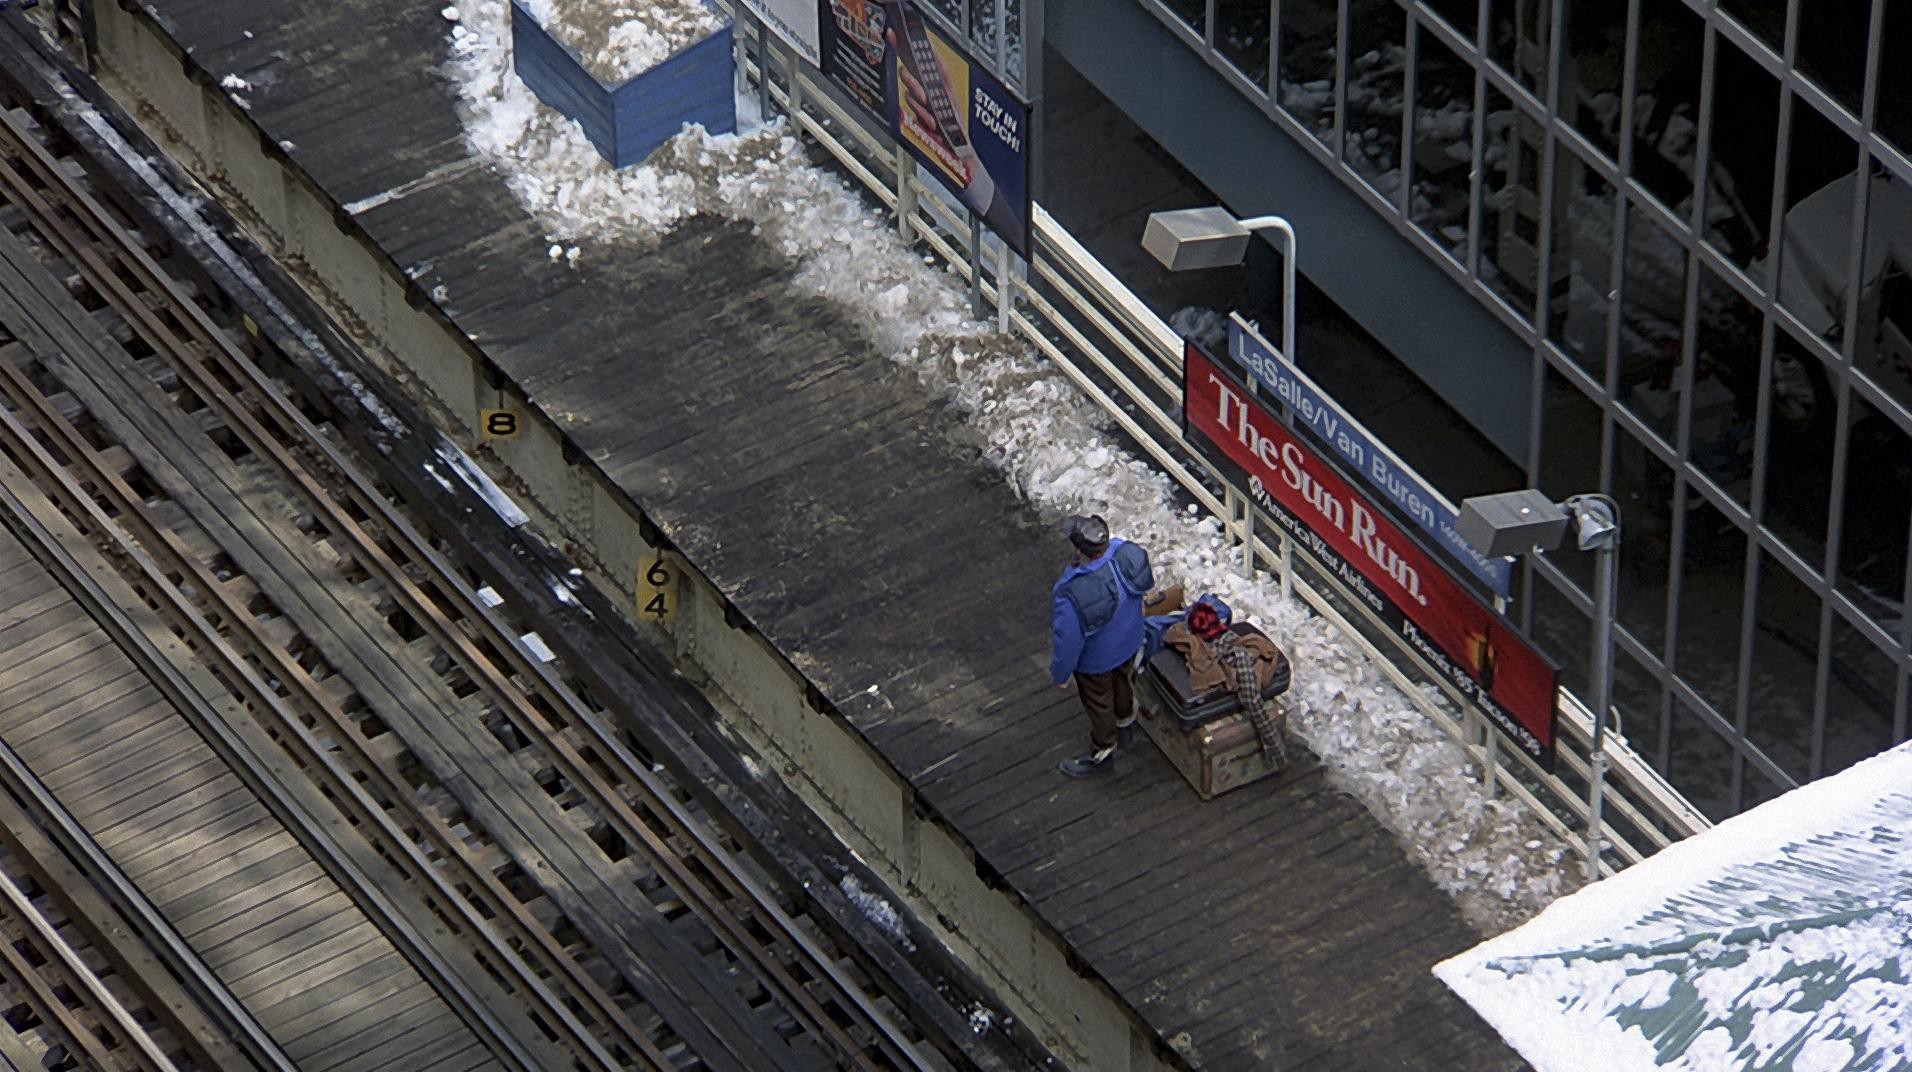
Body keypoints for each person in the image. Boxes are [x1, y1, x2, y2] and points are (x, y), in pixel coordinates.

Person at [1050, 514, 1153, 777]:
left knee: (1099, 704)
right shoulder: (1128, 554)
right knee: (1123, 683)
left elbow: (1068, 640)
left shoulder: (1073, 593)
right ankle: (1126, 724)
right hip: (1129, 642)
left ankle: (1103, 750)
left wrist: (1061, 674)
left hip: (1096, 662)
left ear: (1077, 549)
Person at [1184, 603, 1289, 771]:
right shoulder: (1235, 647)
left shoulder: (1236, 655)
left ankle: (1276, 756)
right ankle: (1276, 757)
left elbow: (1250, 698)